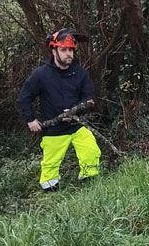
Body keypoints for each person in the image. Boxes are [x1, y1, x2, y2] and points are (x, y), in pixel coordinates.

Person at [16, 28, 100, 191]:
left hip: (76, 125)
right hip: (53, 130)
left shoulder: (80, 73)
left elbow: (89, 99)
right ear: (54, 50)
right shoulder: (41, 75)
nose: (69, 54)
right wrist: (31, 119)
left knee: (91, 150)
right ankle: (50, 193)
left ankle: (90, 187)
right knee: (50, 165)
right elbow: (23, 98)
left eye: (71, 50)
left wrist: (75, 111)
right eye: (64, 50)